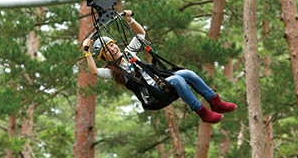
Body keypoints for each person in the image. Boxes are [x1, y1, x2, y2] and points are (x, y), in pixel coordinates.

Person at [82, 10, 237, 124]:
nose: (113, 49)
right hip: (154, 95)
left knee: (187, 74)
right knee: (177, 80)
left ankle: (215, 101)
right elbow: (94, 71)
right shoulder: (113, 71)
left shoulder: (129, 53)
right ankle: (202, 112)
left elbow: (141, 34)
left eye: (112, 45)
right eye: (108, 50)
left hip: (160, 82)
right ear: (104, 56)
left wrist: (130, 20)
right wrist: (87, 53)